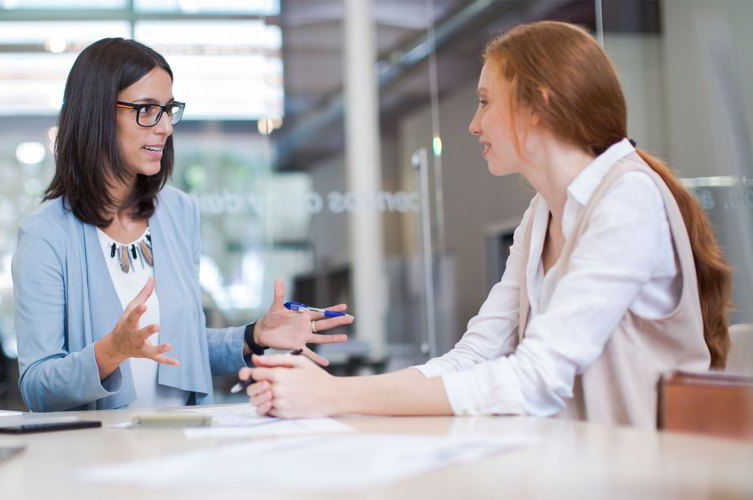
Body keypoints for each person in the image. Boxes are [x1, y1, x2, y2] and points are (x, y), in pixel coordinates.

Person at [240, 21, 732, 428]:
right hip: (576, 465)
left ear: (536, 106)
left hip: (647, 474)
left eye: (484, 101)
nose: (474, 125)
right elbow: (473, 357)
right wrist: (329, 392)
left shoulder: (629, 199)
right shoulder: (540, 214)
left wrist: (333, 395)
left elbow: (537, 377)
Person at [12, 38, 353, 412]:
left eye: (167, 110)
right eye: (146, 110)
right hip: (100, 455)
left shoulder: (178, 212)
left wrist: (255, 336)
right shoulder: (46, 234)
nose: (164, 128)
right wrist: (109, 352)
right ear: (95, 113)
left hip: (181, 443)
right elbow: (36, 387)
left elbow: (183, 347)